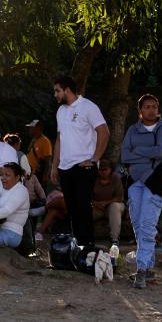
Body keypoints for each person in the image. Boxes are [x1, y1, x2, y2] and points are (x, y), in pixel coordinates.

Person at [51, 76, 109, 246]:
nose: (55, 94)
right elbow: (59, 139)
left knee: (83, 207)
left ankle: (88, 248)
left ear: (67, 89)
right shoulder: (60, 111)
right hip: (65, 167)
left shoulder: (88, 107)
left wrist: (95, 159)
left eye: (57, 90)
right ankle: (76, 247)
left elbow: (104, 132)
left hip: (84, 166)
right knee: (72, 209)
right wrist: (54, 166)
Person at [122, 94, 162, 289]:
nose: (151, 110)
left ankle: (141, 271)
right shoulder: (133, 130)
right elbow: (125, 155)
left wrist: (137, 152)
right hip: (135, 181)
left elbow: (160, 152)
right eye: (146, 107)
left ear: (157, 109)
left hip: (156, 181)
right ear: (140, 111)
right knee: (138, 225)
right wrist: (146, 154)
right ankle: (148, 268)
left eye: (154, 106)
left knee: (147, 225)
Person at [92, 158, 125, 246]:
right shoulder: (93, 179)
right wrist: (95, 203)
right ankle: (85, 238)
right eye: (100, 170)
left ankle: (114, 239)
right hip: (96, 207)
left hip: (112, 206)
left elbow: (119, 197)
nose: (103, 172)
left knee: (114, 207)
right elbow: (86, 196)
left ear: (110, 170)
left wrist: (106, 202)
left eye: (105, 169)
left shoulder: (116, 178)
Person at [25, 119, 53, 186]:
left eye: (31, 127)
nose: (29, 129)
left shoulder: (45, 141)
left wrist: (46, 175)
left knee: (40, 194)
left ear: (38, 128)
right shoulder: (34, 139)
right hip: (31, 173)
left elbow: (48, 160)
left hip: (39, 174)